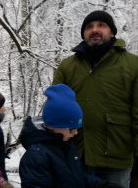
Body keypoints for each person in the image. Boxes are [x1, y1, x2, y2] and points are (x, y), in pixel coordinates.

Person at [52, 10, 138, 187]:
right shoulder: (68, 66)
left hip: (116, 160)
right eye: (89, 27)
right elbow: (54, 110)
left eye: (101, 25)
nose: (95, 30)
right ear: (83, 34)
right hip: (75, 155)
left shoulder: (133, 64)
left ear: (112, 32)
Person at [19, 84, 123, 188]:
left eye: (77, 128)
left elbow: (79, 177)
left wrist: (99, 184)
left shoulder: (65, 145)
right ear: (52, 126)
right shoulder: (36, 157)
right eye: (71, 129)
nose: (75, 133)